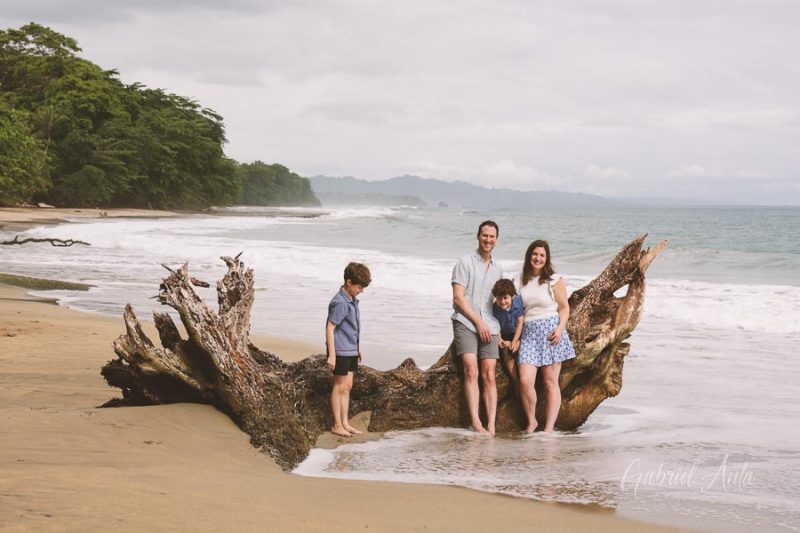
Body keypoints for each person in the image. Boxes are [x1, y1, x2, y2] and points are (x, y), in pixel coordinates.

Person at [516, 240, 575, 433]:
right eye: (535, 254)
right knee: (525, 380)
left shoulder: (554, 279)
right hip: (529, 333)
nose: (538, 258)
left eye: (542, 255)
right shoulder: (519, 280)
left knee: (550, 383)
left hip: (551, 331)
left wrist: (559, 330)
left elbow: (565, 308)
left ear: (547, 258)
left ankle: (549, 428)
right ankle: (531, 421)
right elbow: (516, 310)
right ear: (529, 256)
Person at [451, 220, 503, 435]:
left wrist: (503, 332)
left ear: (496, 240)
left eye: (492, 236)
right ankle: (476, 422)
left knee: (489, 374)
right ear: (478, 236)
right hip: (465, 322)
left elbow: (499, 302)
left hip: (490, 325)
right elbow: (458, 298)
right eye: (485, 235)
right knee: (471, 370)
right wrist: (478, 322)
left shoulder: (498, 269)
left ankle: (491, 424)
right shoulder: (464, 262)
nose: (488, 240)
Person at [326, 262, 371, 437]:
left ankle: (345, 422)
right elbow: (330, 328)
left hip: (350, 349)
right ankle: (337, 424)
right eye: (359, 287)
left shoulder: (351, 300)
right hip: (340, 350)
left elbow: (352, 328)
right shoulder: (340, 302)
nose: (361, 290)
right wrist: (332, 355)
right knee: (339, 387)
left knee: (348, 386)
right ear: (349, 282)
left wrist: (356, 348)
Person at [491, 278, 524, 390]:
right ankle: (515, 380)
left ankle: (523, 377)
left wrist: (515, 340)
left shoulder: (518, 302)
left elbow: (520, 323)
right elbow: (496, 326)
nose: (502, 302)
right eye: (499, 298)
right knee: (505, 351)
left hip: (518, 333)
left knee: (518, 349)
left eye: (505, 298)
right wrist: (500, 340)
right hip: (504, 334)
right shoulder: (495, 308)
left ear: (512, 296)